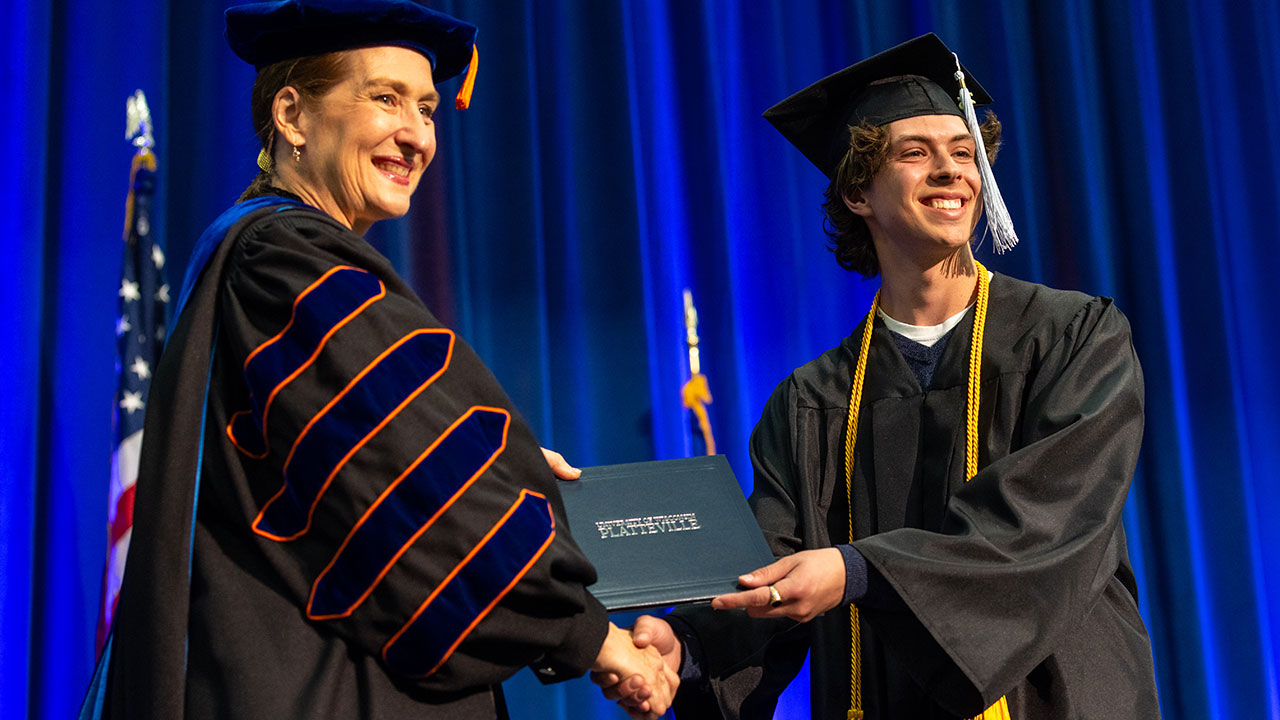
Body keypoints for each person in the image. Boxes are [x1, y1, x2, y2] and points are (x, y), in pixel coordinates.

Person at [80, 2, 675, 719]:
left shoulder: (267, 255)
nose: (416, 134)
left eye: (426, 108)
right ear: (293, 116)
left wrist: (496, 464)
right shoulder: (288, 262)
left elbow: (365, 453)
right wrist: (588, 634)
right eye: (385, 98)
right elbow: (402, 470)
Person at [601, 33, 1161, 719]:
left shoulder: (1074, 337)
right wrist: (685, 645)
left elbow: (1045, 522)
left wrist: (857, 571)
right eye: (916, 153)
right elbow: (772, 563)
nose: (952, 171)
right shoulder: (812, 400)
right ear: (859, 191)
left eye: (964, 153)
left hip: (1063, 697)